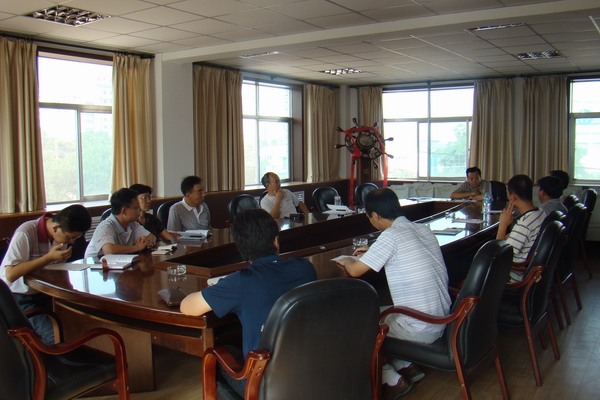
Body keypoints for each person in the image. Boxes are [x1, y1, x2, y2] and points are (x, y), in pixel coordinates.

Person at [181, 208, 316, 397]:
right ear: (275, 241)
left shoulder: (241, 282)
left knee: (218, 357)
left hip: (265, 386)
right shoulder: (305, 268)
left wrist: (221, 287)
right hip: (310, 374)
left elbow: (188, 307)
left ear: (241, 248)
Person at [336, 188, 451, 399]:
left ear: (376, 216)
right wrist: (373, 251)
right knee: (381, 310)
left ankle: (391, 379)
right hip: (441, 320)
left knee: (357, 323)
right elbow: (399, 248)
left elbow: (355, 271)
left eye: (369, 217)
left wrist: (348, 260)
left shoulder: (390, 236)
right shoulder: (422, 229)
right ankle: (407, 364)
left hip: (420, 327)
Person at [1, 205, 91, 344]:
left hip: (44, 294)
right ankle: (38, 355)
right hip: (19, 298)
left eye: (75, 238)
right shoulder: (26, 232)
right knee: (57, 336)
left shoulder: (61, 235)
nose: (71, 242)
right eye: (70, 238)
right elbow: (11, 274)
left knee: (78, 326)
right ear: (56, 228)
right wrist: (48, 258)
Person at [496, 175, 546, 279]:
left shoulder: (524, 225)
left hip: (512, 276)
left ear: (513, 197)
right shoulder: (541, 213)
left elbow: (499, 253)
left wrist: (503, 225)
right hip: (533, 271)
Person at [85, 188, 156, 258]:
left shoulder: (132, 224)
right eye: (136, 207)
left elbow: (151, 236)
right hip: (94, 264)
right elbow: (109, 250)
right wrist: (137, 247)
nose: (139, 210)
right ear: (124, 211)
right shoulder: (105, 226)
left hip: (118, 263)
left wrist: (148, 241)